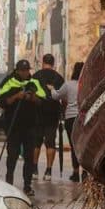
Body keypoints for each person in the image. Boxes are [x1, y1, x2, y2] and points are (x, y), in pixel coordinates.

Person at [0, 59, 46, 196]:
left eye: (27, 70)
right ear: (17, 70)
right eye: (22, 70)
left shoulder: (34, 82)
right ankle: (9, 181)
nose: (25, 73)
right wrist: (16, 96)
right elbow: (0, 101)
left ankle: (27, 185)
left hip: (30, 125)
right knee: (12, 154)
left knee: (29, 156)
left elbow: (43, 101)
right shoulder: (9, 81)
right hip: (13, 125)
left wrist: (33, 98)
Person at [32, 53, 65, 181]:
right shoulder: (59, 78)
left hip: (37, 113)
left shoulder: (36, 76)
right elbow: (63, 98)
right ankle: (49, 171)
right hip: (53, 113)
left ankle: (34, 169)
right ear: (53, 63)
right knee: (50, 142)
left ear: (42, 62)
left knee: (36, 142)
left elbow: (30, 94)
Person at [55, 61, 83, 182]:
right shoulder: (87, 83)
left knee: (74, 146)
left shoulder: (68, 85)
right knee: (84, 145)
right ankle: (86, 172)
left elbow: (56, 96)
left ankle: (76, 173)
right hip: (85, 118)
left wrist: (50, 89)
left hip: (71, 118)